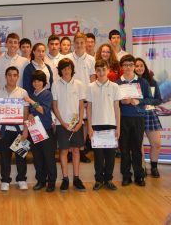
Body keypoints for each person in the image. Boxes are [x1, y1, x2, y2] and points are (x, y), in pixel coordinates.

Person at [116, 54, 154, 187]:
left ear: (134, 66)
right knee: (124, 149)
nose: (128, 67)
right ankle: (126, 176)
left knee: (137, 148)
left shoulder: (142, 82)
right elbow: (112, 103)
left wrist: (139, 101)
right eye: (125, 65)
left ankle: (139, 175)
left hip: (138, 119)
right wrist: (121, 101)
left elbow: (150, 99)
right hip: (123, 119)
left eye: (130, 65)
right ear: (121, 67)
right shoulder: (117, 83)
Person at [52, 58, 86, 192]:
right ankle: (65, 179)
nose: (66, 71)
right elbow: (55, 107)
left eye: (69, 68)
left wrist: (79, 123)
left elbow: (81, 105)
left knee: (76, 150)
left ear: (72, 69)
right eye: (64, 68)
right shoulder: (55, 84)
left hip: (76, 124)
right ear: (60, 70)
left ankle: (76, 178)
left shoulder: (78, 84)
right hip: (62, 124)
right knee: (64, 151)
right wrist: (62, 122)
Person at [0, 66, 29, 191]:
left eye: (15, 75)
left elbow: (26, 112)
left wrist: (25, 129)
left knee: (21, 156)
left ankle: (21, 179)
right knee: (5, 156)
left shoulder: (23, 92)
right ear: (5, 76)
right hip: (4, 129)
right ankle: (5, 180)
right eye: (9, 75)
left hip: (19, 128)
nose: (12, 77)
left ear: (18, 77)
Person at [87, 59, 121, 191]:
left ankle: (108, 179)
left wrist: (118, 127)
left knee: (110, 156)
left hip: (111, 125)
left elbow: (117, 107)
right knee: (98, 155)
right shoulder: (90, 87)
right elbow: (88, 108)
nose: (101, 72)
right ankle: (99, 180)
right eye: (98, 70)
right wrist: (89, 127)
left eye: (103, 70)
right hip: (96, 125)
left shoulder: (114, 87)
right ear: (95, 71)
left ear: (108, 70)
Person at [24, 70, 57, 192]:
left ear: (44, 82)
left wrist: (31, 101)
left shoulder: (47, 94)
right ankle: (41, 180)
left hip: (46, 130)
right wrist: (30, 116)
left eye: (39, 81)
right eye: (34, 81)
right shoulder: (32, 94)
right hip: (35, 130)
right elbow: (32, 111)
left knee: (49, 157)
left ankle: (51, 182)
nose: (36, 83)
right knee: (37, 157)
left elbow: (44, 110)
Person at [66, 32, 96, 163]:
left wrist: (90, 98)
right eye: (77, 42)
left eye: (82, 43)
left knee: (83, 124)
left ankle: (82, 149)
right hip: (70, 97)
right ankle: (70, 151)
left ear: (86, 43)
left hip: (85, 97)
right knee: (71, 122)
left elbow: (93, 79)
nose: (79, 45)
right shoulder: (67, 58)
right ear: (74, 43)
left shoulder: (91, 59)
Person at [135, 57, 163, 178]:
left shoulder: (152, 82)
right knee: (139, 145)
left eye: (141, 65)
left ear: (144, 67)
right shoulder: (132, 83)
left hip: (151, 114)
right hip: (136, 115)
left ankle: (154, 166)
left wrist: (143, 101)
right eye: (137, 66)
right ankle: (142, 167)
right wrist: (143, 101)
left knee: (156, 144)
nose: (139, 68)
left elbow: (158, 99)